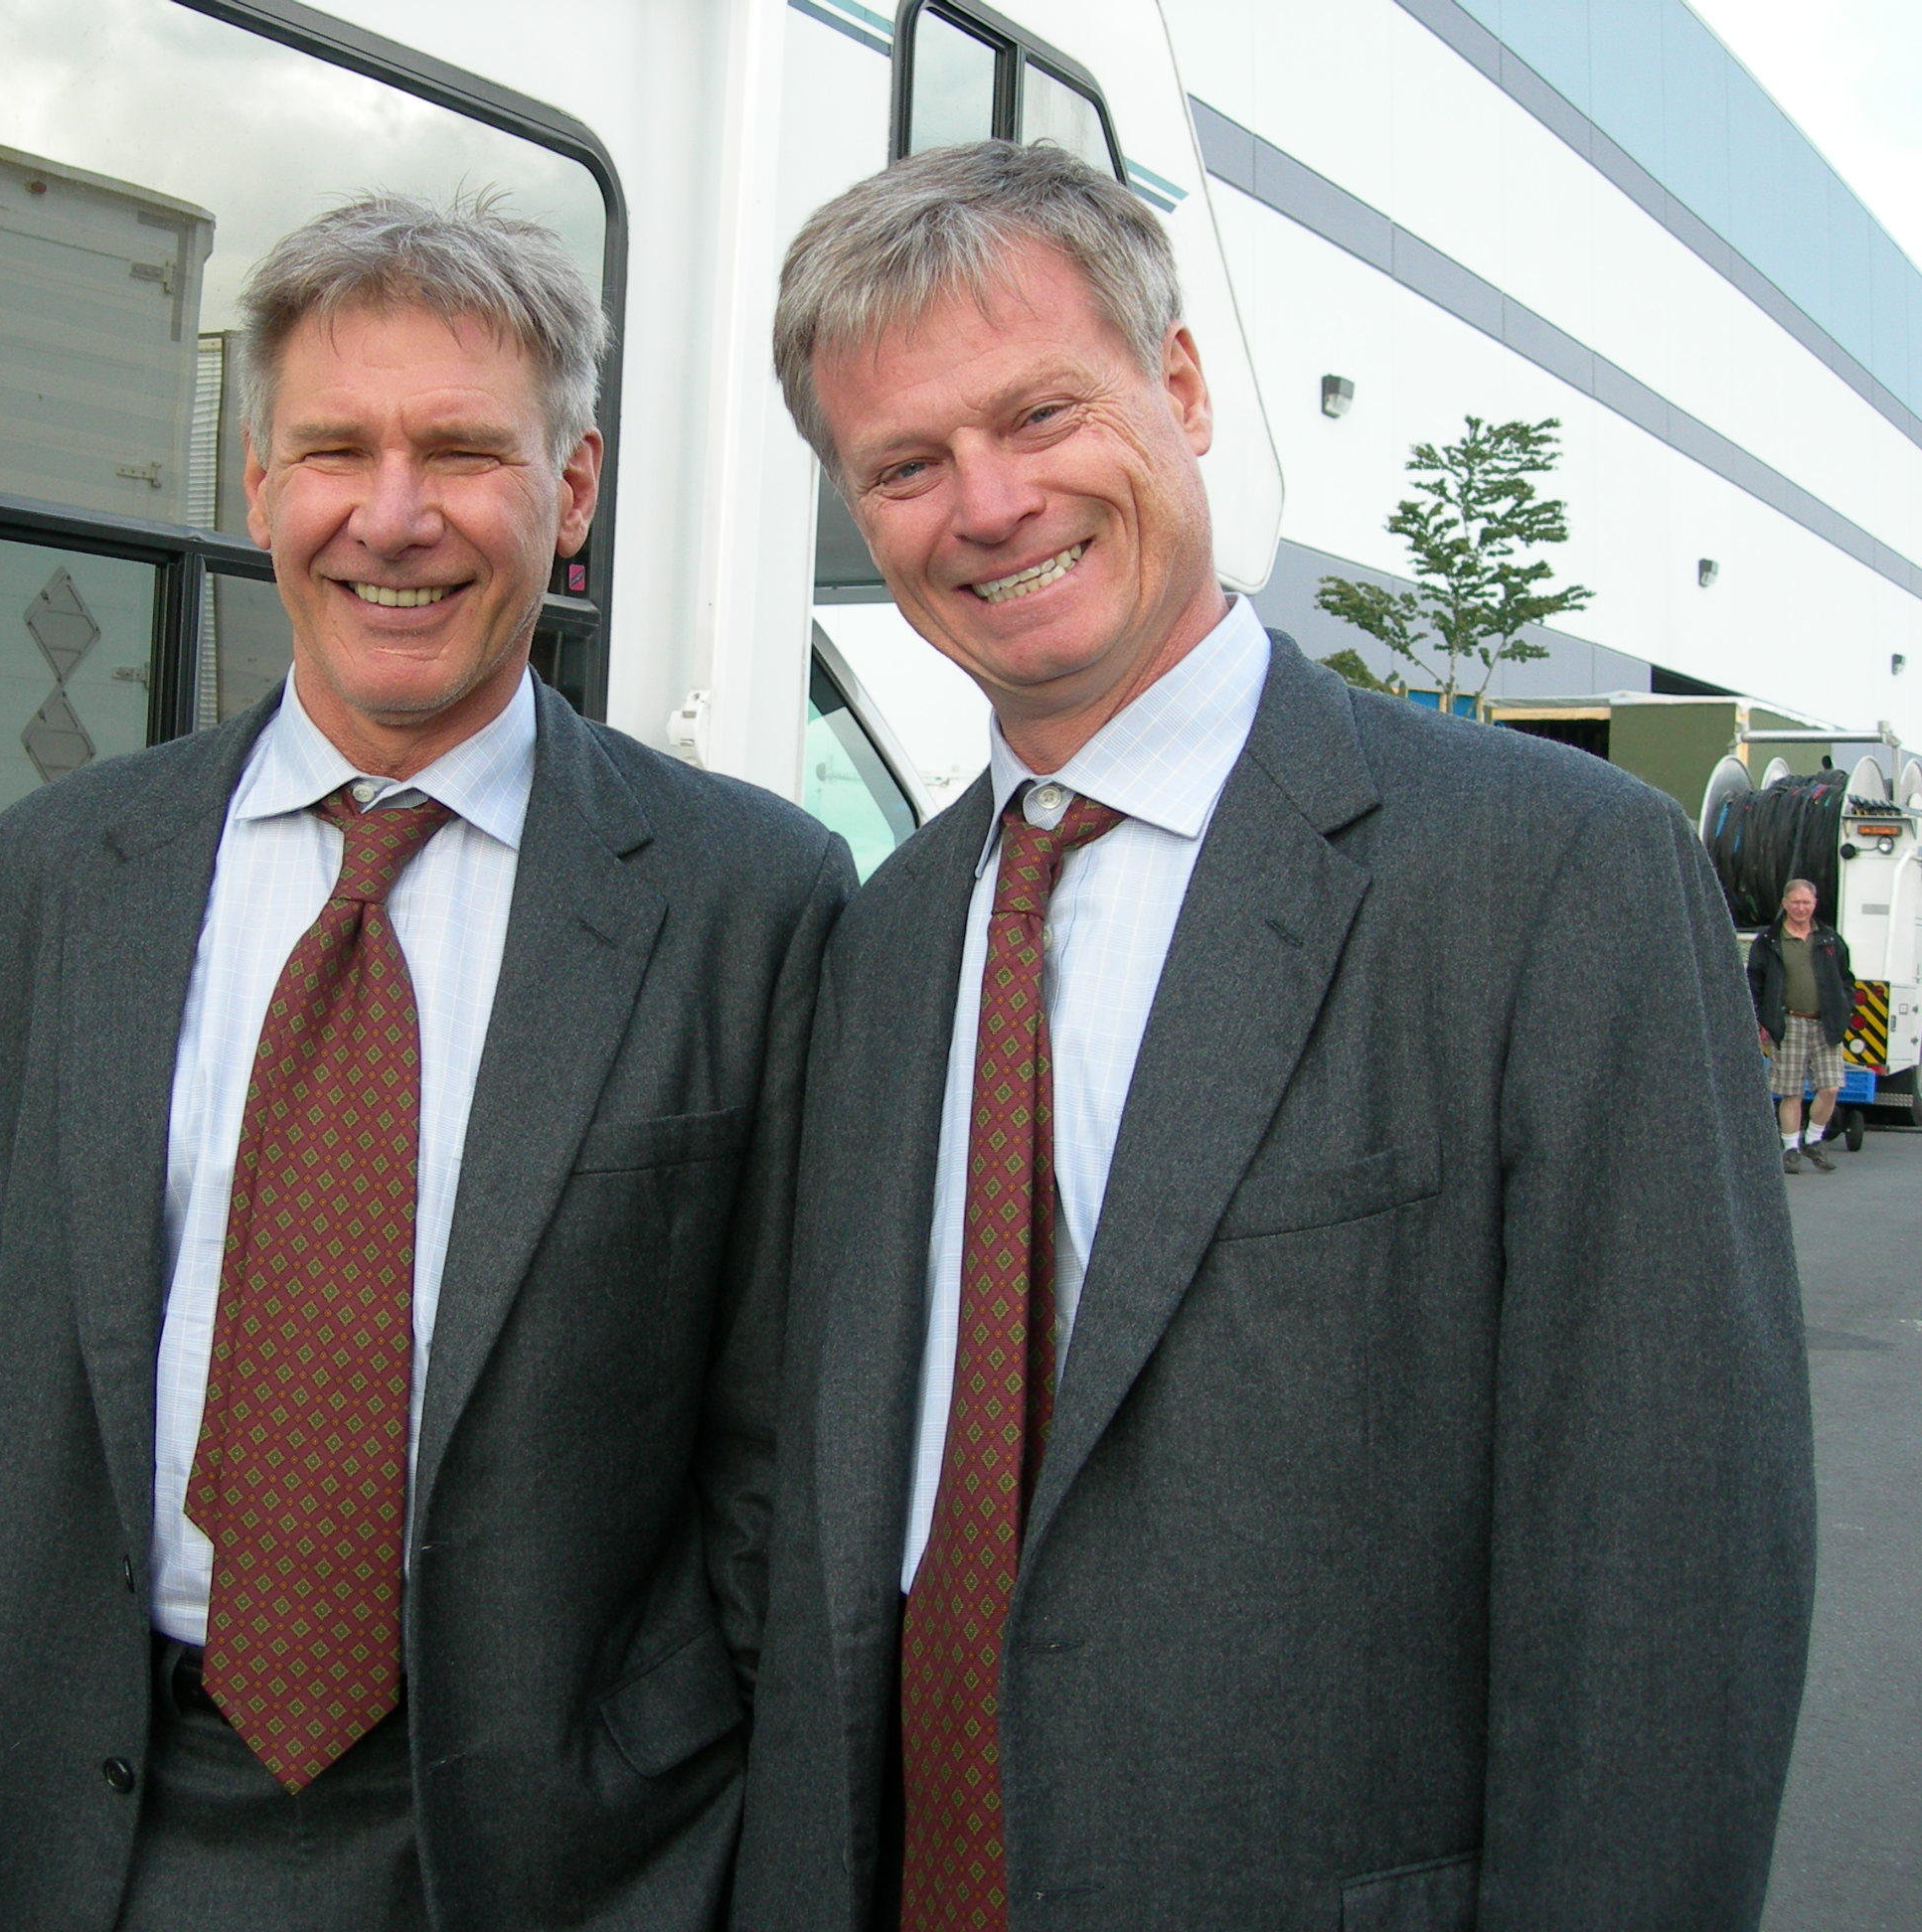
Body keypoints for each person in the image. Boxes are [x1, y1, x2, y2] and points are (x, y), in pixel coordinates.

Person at [732, 141, 1815, 1931]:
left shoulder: (1549, 878)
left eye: (1040, 412)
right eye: (905, 463)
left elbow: (1666, 1584)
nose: (986, 503)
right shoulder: (882, 934)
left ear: (1176, 387)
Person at [0, 194, 853, 1932]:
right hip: (86, 1814)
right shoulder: (52, 873)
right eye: (335, 449)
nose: (393, 516)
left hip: (553, 1847)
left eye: (464, 449)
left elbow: (776, 1439)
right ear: (257, 489)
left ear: (573, 490)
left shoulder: (748, 897)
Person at [1749, 876, 1854, 1174]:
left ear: (1814, 904)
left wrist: (1843, 1009)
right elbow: (1754, 982)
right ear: (1784, 903)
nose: (1800, 907)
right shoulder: (1769, 941)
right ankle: (1791, 1148)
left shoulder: (1829, 939)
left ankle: (1814, 1139)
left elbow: (1846, 979)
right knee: (1791, 1091)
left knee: (1831, 1087)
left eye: (1806, 902)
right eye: (1795, 901)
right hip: (1788, 1022)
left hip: (1826, 1025)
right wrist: (1762, 1019)